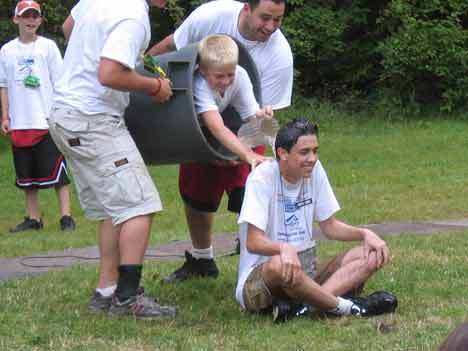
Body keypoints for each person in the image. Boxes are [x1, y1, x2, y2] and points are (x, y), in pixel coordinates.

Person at [47, 0, 175, 320]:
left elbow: (68, 27)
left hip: (64, 114)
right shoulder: (134, 17)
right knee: (139, 205)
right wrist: (155, 85)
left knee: (112, 208)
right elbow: (109, 73)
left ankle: (106, 292)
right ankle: (127, 300)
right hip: (94, 118)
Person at [149, 0, 293, 283]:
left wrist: (259, 154)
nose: (271, 27)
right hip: (198, 123)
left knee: (250, 190)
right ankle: (202, 260)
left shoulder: (277, 57)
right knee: (196, 193)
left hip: (245, 132)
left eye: (278, 20)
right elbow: (169, 46)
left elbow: (260, 118)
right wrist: (141, 71)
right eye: (265, 18)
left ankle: (268, 257)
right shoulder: (211, 17)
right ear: (246, 9)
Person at [236, 118, 397, 322]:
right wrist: (284, 248)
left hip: (305, 273)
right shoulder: (262, 178)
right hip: (262, 280)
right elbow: (253, 241)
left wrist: (365, 234)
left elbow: (330, 227)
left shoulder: (314, 170)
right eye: (304, 152)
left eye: (315, 150)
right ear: (282, 154)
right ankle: (347, 308)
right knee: (278, 265)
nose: (312, 158)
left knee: (372, 254)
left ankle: (306, 308)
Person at [0, 0, 76, 233]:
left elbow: (60, 80)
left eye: (35, 16)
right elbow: (3, 85)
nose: (30, 20)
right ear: (16, 19)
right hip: (20, 121)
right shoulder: (7, 50)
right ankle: (33, 218)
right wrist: (5, 116)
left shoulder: (48, 47)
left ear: (40, 20)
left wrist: (61, 111)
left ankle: (66, 217)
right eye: (26, 16)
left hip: (46, 119)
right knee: (27, 177)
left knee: (57, 173)